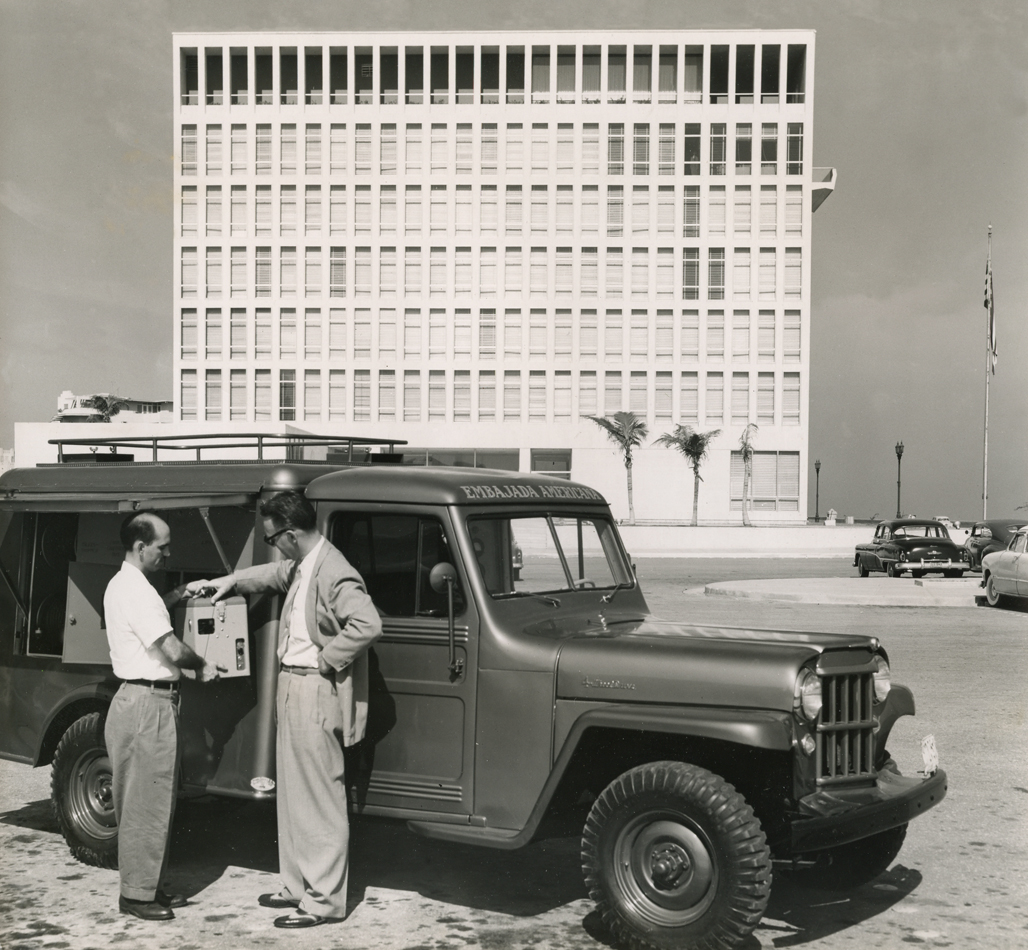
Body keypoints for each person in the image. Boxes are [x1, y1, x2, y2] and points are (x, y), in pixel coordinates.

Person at [186, 490, 381, 929]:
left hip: (316, 686)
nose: (274, 545)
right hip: (293, 685)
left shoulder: (334, 570)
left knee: (318, 797)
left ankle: (324, 901)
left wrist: (327, 658)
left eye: (274, 538)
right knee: (293, 793)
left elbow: (368, 623)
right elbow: (275, 573)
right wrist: (232, 581)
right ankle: (298, 886)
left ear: (292, 534)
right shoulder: (302, 562)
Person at [104, 511, 219, 922]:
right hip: (146, 703)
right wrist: (202, 665)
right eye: (162, 547)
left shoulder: (131, 585)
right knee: (143, 804)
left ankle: (149, 885)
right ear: (140, 547)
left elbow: (150, 626)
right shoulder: (136, 591)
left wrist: (176, 596)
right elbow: (169, 647)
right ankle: (135, 896)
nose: (168, 553)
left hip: (144, 701)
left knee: (153, 801)